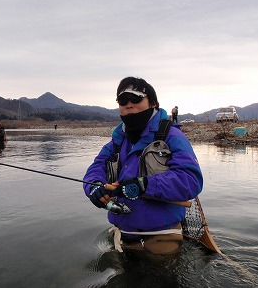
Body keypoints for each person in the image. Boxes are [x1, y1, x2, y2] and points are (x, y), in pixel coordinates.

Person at [83, 77, 203, 256]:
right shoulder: (116, 141)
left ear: (152, 103)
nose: (129, 104)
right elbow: (96, 168)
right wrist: (94, 187)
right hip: (121, 238)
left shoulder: (172, 136)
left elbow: (191, 180)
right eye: (123, 100)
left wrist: (143, 184)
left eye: (136, 98)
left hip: (162, 239)